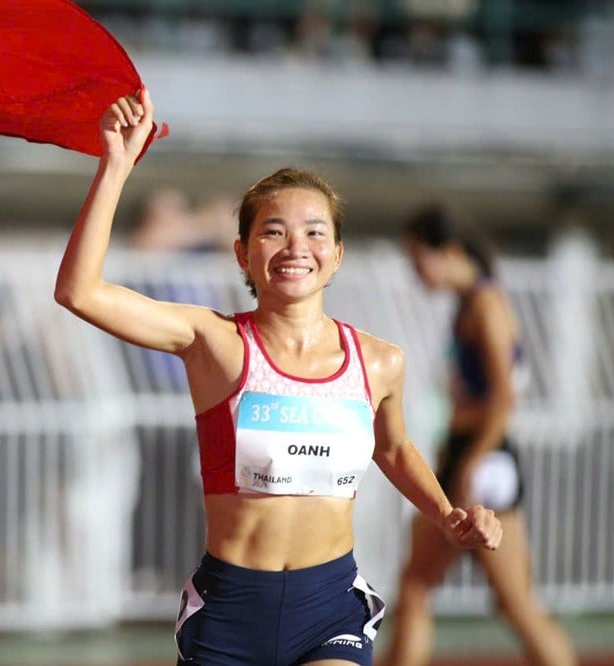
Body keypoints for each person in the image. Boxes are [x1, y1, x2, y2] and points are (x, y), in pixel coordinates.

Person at [53, 88, 503, 666]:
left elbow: (393, 448)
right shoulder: (212, 341)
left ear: (337, 254)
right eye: (273, 231)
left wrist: (447, 515)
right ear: (242, 254)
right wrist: (115, 164)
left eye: (315, 232)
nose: (296, 246)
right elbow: (78, 292)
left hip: (329, 605)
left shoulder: (379, 361)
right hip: (232, 606)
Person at [382, 204, 578, 666]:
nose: (416, 273)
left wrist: (470, 461)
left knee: (511, 600)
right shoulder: (469, 303)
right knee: (420, 586)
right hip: (468, 453)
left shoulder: (487, 305)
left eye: (418, 259)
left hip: (483, 459)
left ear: (448, 251)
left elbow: (505, 397)